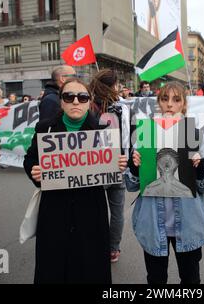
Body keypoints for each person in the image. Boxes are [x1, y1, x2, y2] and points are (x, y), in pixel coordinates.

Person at [123, 82, 204, 284]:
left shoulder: (194, 135)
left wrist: (200, 168)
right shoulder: (145, 134)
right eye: (165, 99)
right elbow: (132, 185)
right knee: (156, 279)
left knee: (190, 277)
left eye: (176, 99)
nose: (170, 104)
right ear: (159, 103)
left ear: (183, 105)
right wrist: (134, 167)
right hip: (152, 224)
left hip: (188, 224)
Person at [23, 77, 112, 284]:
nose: (75, 101)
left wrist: (119, 163)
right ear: (61, 101)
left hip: (91, 213)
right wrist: (34, 170)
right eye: (68, 96)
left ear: (89, 101)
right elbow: (30, 158)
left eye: (82, 97)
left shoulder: (102, 129)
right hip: (54, 212)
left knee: (90, 268)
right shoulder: (45, 128)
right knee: (53, 267)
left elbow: (112, 170)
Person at [89, 69, 128, 264]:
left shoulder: (88, 106)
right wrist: (125, 160)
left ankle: (96, 245)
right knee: (117, 211)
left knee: (96, 210)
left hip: (95, 165)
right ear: (113, 85)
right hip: (117, 163)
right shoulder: (121, 107)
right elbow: (127, 137)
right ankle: (113, 248)